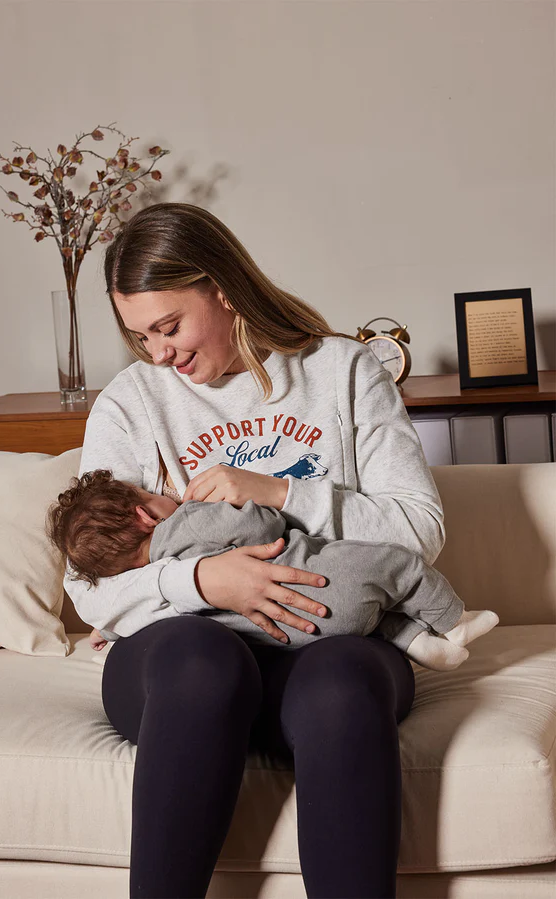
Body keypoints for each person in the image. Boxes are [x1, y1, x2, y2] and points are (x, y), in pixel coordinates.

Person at [62, 201, 468, 898]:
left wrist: (280, 492)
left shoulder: (342, 370)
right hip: (181, 666)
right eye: (141, 336)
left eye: (169, 326)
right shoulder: (131, 403)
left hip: (324, 647)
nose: (160, 353)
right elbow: (88, 585)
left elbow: (418, 528)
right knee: (203, 659)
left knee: (340, 683)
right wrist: (202, 580)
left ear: (221, 287)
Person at [50, 468, 498, 669]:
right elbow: (261, 525)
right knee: (395, 566)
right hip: (321, 585)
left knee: (367, 617)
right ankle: (452, 621)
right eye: (148, 493)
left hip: (286, 636)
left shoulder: (146, 580)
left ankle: (417, 643)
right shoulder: (189, 517)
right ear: (146, 515)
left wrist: (112, 629)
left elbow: (118, 603)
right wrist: (256, 499)